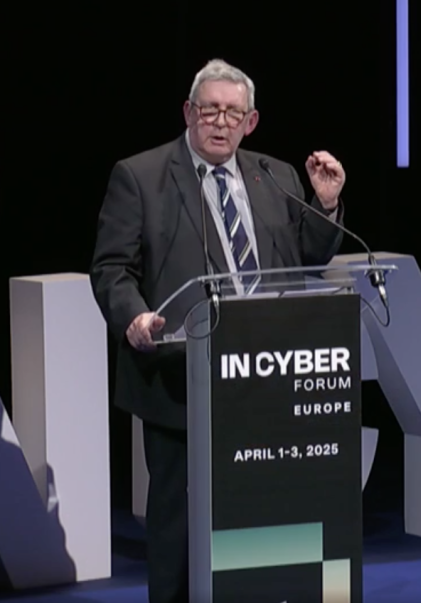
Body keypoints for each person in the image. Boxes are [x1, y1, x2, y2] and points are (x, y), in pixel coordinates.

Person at [89, 59, 346, 603]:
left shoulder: (275, 175)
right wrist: (134, 318)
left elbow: (305, 256)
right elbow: (112, 268)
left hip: (265, 376)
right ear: (189, 112)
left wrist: (325, 204)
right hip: (180, 376)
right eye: (210, 110)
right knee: (177, 519)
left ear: (251, 122)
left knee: (263, 508)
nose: (221, 123)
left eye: (233, 113)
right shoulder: (140, 176)